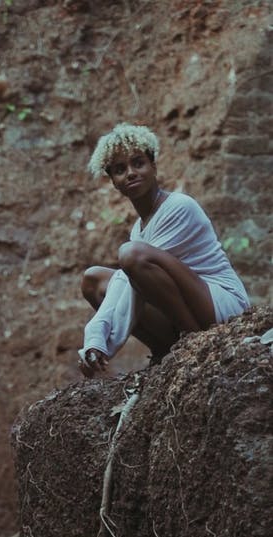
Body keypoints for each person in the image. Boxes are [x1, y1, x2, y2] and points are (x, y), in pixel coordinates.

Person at [78, 122, 250, 377]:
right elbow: (128, 286)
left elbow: (128, 276)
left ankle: (196, 342)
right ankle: (165, 349)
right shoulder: (139, 229)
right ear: (114, 181)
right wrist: (95, 341)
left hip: (222, 303)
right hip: (193, 307)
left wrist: (96, 337)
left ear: (153, 166)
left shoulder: (179, 207)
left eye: (138, 163)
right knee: (94, 280)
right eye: (120, 169)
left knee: (131, 256)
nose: (131, 173)